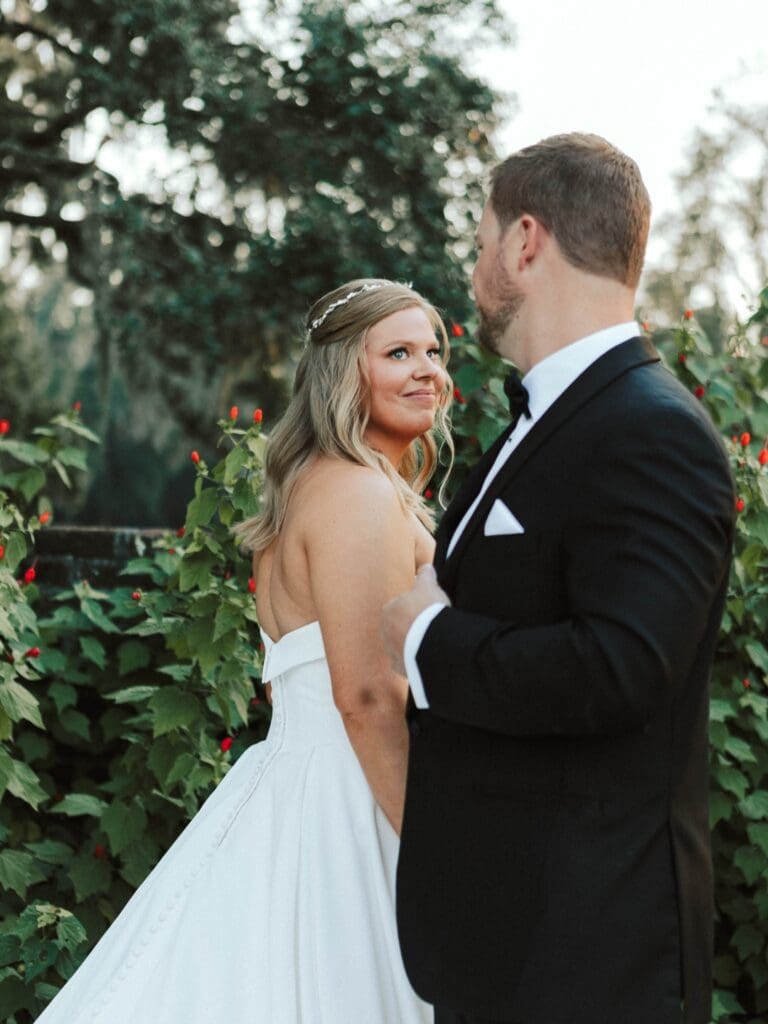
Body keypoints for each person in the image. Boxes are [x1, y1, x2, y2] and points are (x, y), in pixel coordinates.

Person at [382, 134, 735, 1024]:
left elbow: (620, 668)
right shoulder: (546, 420)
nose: (473, 268)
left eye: (479, 241)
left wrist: (427, 638)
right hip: (504, 951)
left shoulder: (653, 431)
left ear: (525, 243)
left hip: (587, 961)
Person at [36, 278, 452, 1024]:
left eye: (433, 350)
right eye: (398, 352)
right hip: (354, 806)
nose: (429, 369)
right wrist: (434, 849)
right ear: (341, 374)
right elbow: (363, 695)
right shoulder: (357, 494)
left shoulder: (319, 487)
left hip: (305, 786)